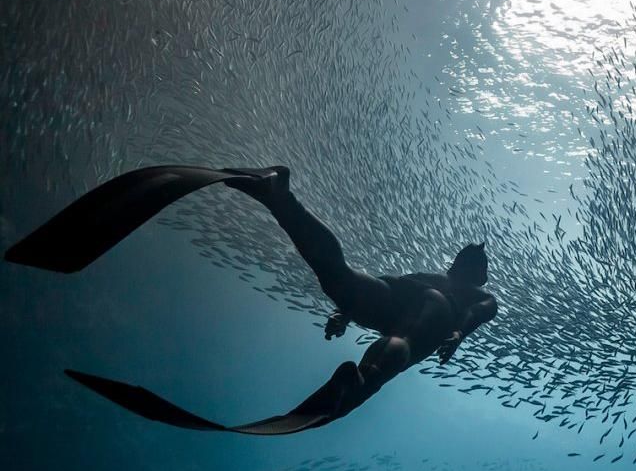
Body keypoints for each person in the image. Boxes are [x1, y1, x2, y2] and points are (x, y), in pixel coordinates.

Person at [4, 164, 497, 434]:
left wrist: (350, 308)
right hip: (424, 307)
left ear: (464, 267)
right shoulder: (467, 290)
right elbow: (465, 309)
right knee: (398, 333)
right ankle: (366, 377)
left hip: (405, 297)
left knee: (342, 278)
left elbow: (399, 287)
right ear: (471, 270)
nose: (463, 265)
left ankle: (279, 196)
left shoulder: (449, 280)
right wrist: (453, 331)